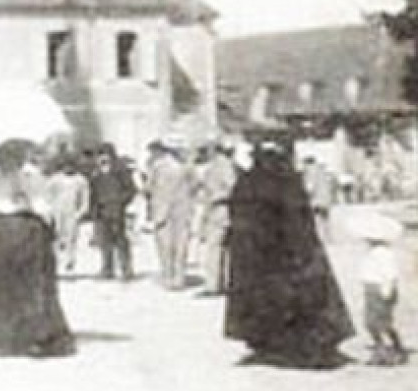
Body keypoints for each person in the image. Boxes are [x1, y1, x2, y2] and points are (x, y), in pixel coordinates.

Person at [225, 140, 355, 369]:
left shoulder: (246, 182)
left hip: (257, 255)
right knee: (300, 298)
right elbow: (300, 220)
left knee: (264, 299)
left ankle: (267, 343)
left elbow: (238, 218)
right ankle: (297, 346)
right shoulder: (289, 182)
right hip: (290, 252)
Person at [0, 148, 76, 358]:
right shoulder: (35, 181)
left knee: (5, 285)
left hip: (4, 233)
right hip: (30, 232)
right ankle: (37, 335)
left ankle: (5, 337)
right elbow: (45, 211)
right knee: (34, 284)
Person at [145, 142, 195, 290]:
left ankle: (168, 276)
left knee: (164, 245)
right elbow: (196, 185)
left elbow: (148, 187)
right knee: (181, 244)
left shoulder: (157, 166)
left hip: (162, 209)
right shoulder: (187, 167)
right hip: (183, 208)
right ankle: (179, 277)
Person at [195, 143, 238, 296]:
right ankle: (221, 283)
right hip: (216, 211)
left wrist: (216, 197)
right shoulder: (219, 164)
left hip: (220, 211)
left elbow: (232, 187)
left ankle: (213, 286)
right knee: (220, 249)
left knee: (214, 248)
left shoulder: (222, 165)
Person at [87, 146, 136, 281]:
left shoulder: (120, 170)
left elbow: (131, 190)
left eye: (105, 155)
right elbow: (92, 193)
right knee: (104, 241)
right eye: (100, 155)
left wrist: (120, 202)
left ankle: (126, 269)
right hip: (101, 211)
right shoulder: (96, 172)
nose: (102, 158)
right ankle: (107, 269)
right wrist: (93, 210)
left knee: (120, 240)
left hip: (116, 210)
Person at [360, 229, 407, 366]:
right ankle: (383, 351)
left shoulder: (384, 254)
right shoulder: (372, 253)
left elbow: (390, 275)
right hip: (371, 288)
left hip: (380, 289)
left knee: (379, 322)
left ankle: (394, 349)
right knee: (373, 322)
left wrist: (386, 290)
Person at [47, 156, 92, 275]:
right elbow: (48, 196)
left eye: (70, 166)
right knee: (56, 239)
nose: (68, 168)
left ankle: (69, 262)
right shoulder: (54, 180)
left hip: (72, 213)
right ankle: (55, 265)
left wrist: (80, 212)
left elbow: (85, 199)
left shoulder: (81, 180)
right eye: (66, 166)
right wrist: (49, 211)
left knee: (71, 239)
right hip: (57, 212)